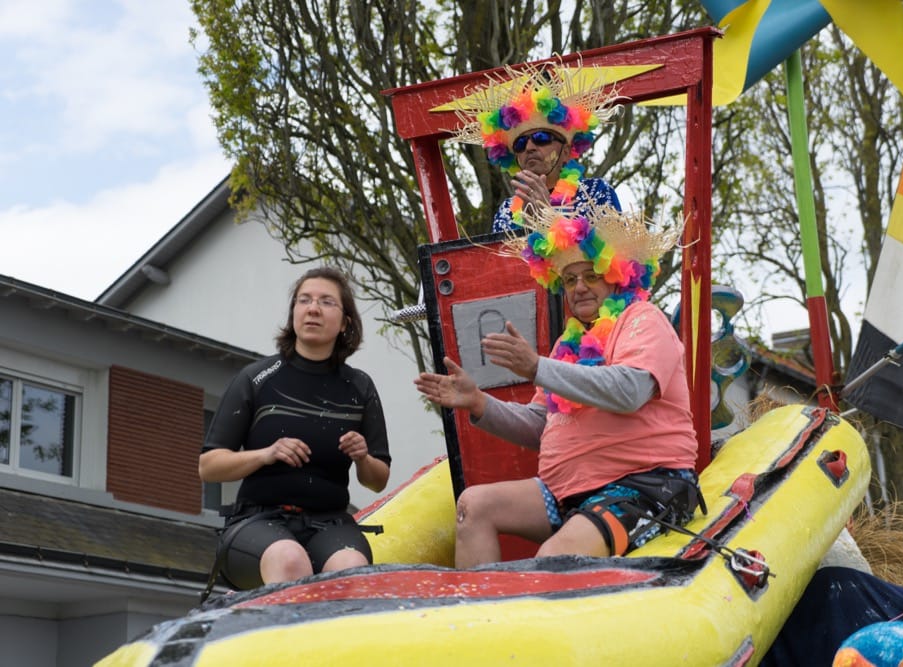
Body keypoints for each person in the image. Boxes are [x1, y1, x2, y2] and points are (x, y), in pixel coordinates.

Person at [414, 202, 701, 567]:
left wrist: (537, 367)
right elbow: (541, 425)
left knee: (553, 558)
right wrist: (479, 403)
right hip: (566, 495)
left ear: (616, 275)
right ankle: (481, 606)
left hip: (647, 485)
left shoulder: (642, 319)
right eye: (569, 280)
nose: (578, 287)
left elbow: (630, 391)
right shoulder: (569, 343)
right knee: (474, 505)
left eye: (590, 276)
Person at [200, 267, 391, 590]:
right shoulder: (256, 378)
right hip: (257, 521)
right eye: (304, 300)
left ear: (345, 323)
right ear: (293, 315)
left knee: (351, 569)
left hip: (330, 522)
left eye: (326, 302)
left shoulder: (360, 387)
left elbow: (378, 480)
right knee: (290, 560)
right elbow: (208, 467)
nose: (313, 308)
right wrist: (266, 454)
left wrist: (362, 457)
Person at [450, 61, 622, 233]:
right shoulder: (506, 212)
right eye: (520, 143)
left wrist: (547, 218)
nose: (529, 147)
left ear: (565, 152)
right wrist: (529, 225)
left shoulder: (595, 192)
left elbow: (614, 248)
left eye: (541, 138)